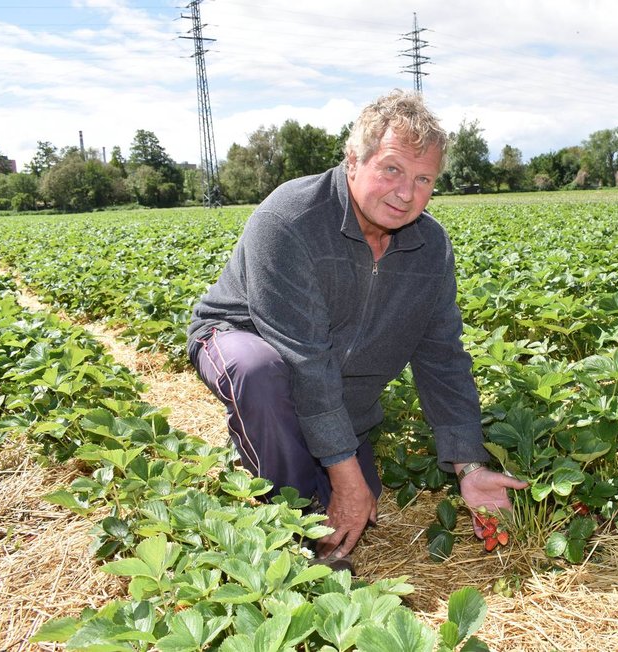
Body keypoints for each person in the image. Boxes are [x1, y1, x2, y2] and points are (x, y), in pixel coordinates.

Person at [187, 89, 526, 568]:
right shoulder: (290, 219)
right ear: (353, 161)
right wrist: (344, 476)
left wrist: (469, 464)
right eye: (391, 169)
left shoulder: (430, 248)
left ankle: (285, 452)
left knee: (357, 492)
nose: (406, 193)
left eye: (423, 178)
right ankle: (296, 539)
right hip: (242, 338)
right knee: (262, 375)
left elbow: (442, 360)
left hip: (339, 389)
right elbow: (304, 357)